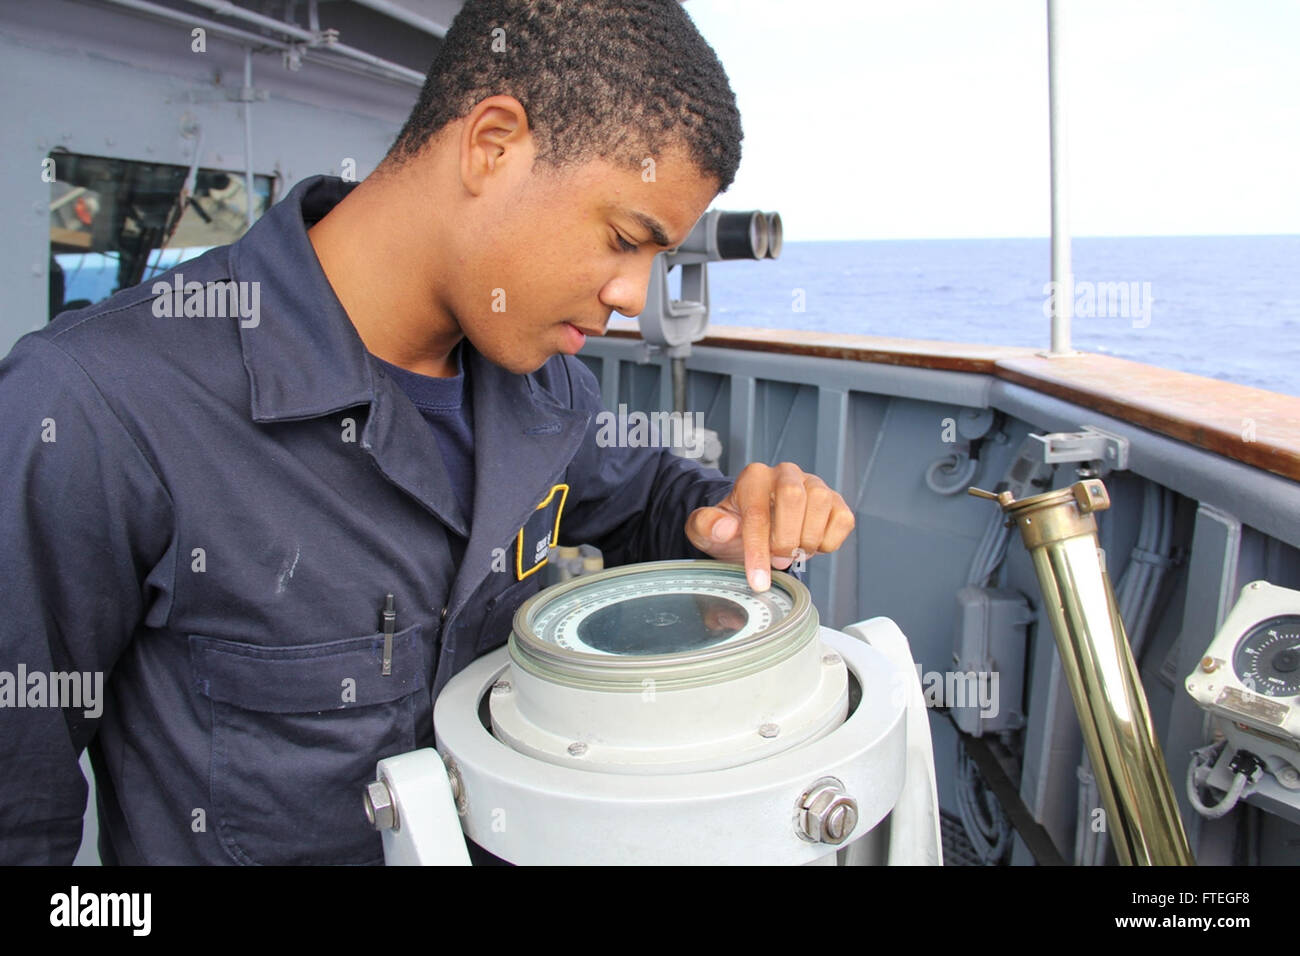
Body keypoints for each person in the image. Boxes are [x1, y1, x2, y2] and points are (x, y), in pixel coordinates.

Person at [0, 0, 854, 865]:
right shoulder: (99, 401)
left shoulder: (544, 389)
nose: (633, 296)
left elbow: (644, 499)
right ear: (492, 145)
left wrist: (725, 513)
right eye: (625, 239)